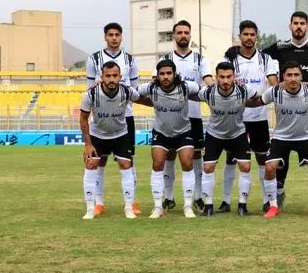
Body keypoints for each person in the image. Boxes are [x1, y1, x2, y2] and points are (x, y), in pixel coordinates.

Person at [246, 61, 308, 218]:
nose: (293, 78)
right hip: (281, 137)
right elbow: (257, 102)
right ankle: (273, 206)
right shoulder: (274, 91)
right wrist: (236, 100)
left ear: (301, 76)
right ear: (283, 77)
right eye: (289, 75)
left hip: (304, 137)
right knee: (270, 167)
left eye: (296, 75)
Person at [220, 20, 278, 213]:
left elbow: (274, 83)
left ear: (256, 36)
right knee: (231, 158)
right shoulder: (230, 58)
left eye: (252, 34)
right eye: (246, 34)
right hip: (236, 118)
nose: (249, 38)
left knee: (262, 159)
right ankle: (226, 201)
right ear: (240, 36)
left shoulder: (266, 59)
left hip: (259, 117)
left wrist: (265, 96)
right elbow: (224, 81)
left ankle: (267, 200)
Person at [157, 20, 213, 211]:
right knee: (169, 155)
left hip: (193, 116)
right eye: (179, 32)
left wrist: (218, 91)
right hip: (169, 116)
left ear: (190, 35)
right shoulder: (165, 59)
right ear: (174, 35)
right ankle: (169, 197)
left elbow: (208, 82)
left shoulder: (199, 59)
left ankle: (198, 197)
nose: (183, 35)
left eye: (186, 32)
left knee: (195, 156)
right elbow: (157, 83)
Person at [85, 22, 140, 217]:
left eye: (117, 34)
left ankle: (131, 202)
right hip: (102, 117)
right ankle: (98, 203)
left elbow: (135, 89)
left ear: (121, 37)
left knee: (128, 161)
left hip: (125, 116)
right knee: (99, 162)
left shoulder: (130, 60)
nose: (114, 38)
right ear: (105, 37)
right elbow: (90, 88)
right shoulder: (94, 58)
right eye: (110, 35)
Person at [136, 59, 199, 219]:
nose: (166, 76)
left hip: (183, 132)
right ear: (157, 76)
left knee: (187, 164)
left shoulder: (186, 87)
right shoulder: (150, 88)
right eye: (162, 74)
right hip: (161, 132)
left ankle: (188, 206)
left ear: (175, 74)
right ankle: (158, 206)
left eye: (169, 73)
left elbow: (204, 91)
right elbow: (131, 93)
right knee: (157, 165)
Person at [195, 62, 257, 216]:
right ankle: (208, 206)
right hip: (215, 134)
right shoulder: (207, 92)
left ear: (234, 77)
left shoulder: (244, 89)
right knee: (208, 168)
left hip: (237, 133)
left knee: (245, 167)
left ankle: (242, 205)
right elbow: (189, 95)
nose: (225, 81)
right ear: (216, 78)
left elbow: (258, 98)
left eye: (229, 77)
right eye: (222, 77)